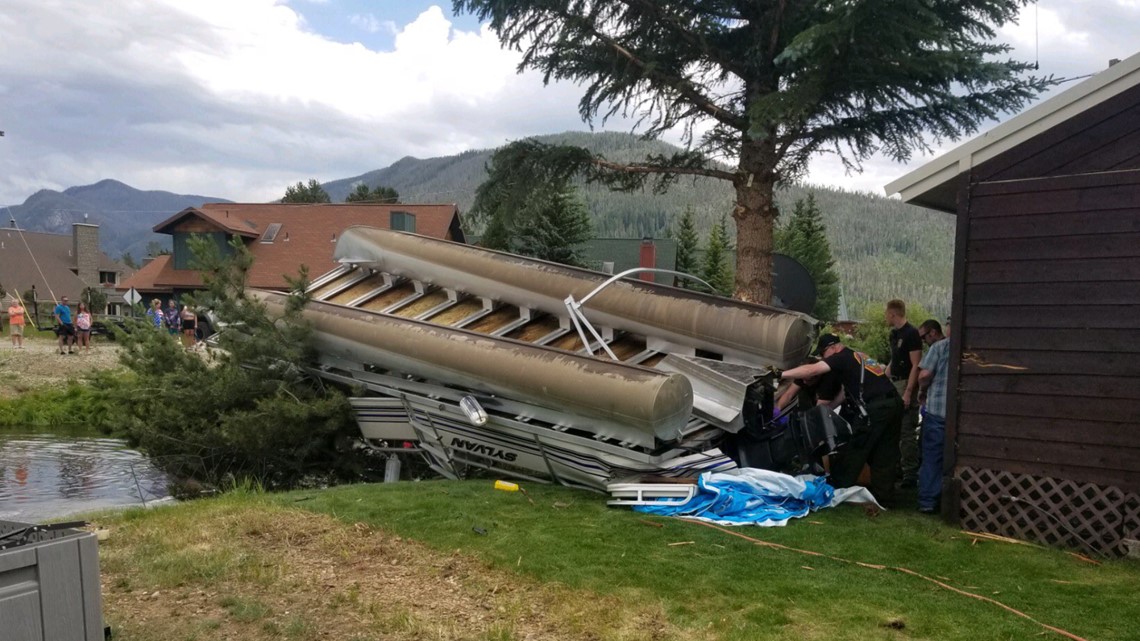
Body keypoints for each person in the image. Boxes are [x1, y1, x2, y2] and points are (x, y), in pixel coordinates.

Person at [780, 334, 903, 506]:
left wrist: (779, 373)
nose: (824, 358)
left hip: (876, 407)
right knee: (885, 452)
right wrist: (828, 411)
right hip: (893, 403)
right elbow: (845, 394)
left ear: (833, 347)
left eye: (824, 354)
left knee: (855, 447)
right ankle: (885, 497)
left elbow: (811, 370)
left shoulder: (841, 357)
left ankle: (837, 489)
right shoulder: (859, 356)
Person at [885, 299, 922, 488]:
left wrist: (908, 392)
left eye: (887, 313)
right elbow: (894, 359)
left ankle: (911, 473)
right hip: (895, 380)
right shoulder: (894, 334)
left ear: (893, 313)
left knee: (907, 429)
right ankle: (897, 468)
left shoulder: (911, 333)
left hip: (906, 381)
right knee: (895, 429)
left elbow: (915, 364)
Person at [916, 319, 950, 514]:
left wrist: (922, 391)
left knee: (931, 456)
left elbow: (924, 375)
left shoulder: (940, 347)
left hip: (937, 410)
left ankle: (928, 501)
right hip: (961, 416)